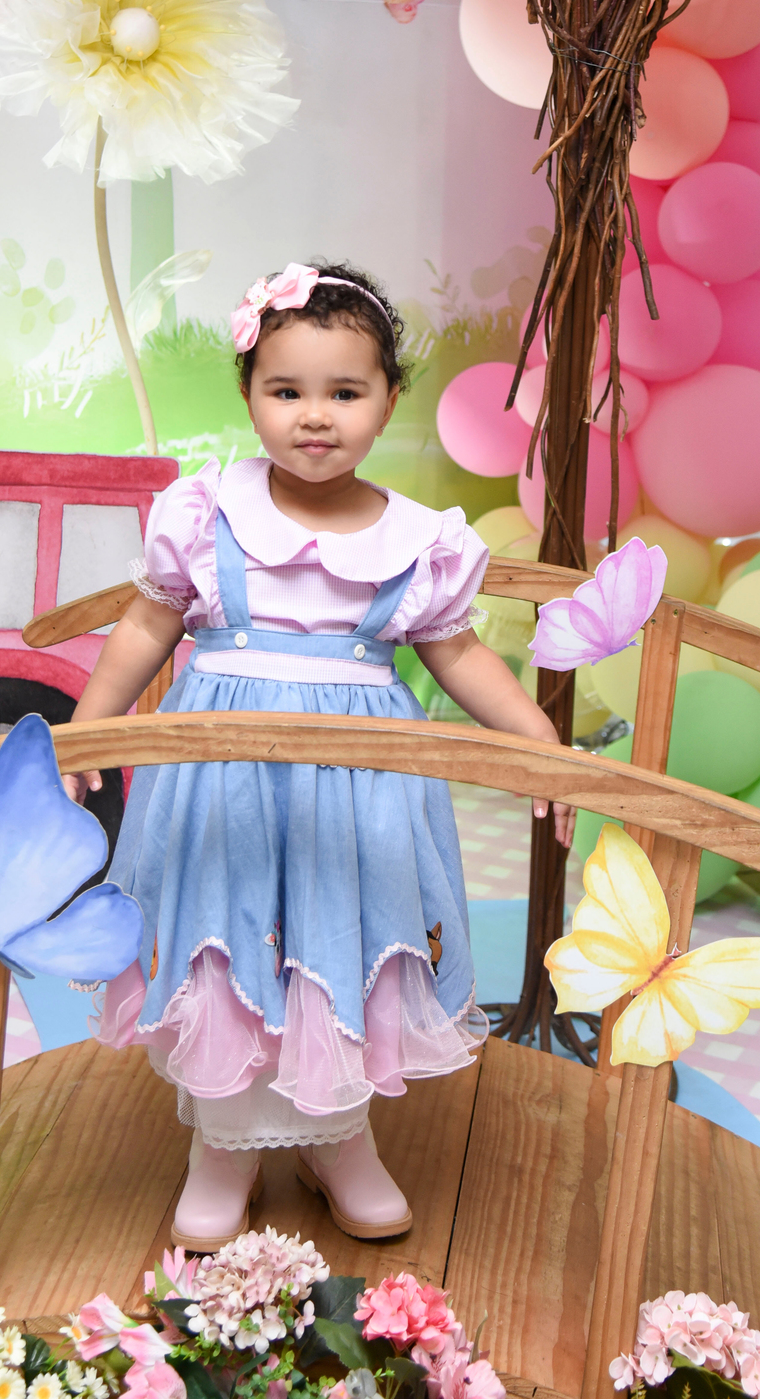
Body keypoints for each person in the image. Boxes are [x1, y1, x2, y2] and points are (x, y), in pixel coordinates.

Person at [66, 260, 570, 1251]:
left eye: (345, 391)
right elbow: (145, 626)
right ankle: (224, 1146)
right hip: (223, 780)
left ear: (388, 399)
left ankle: (341, 1138)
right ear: (249, 394)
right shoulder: (208, 515)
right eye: (285, 390)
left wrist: (537, 737)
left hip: (358, 790)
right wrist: (91, 725)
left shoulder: (417, 540)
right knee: (225, 941)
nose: (314, 416)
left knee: (343, 942)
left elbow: (460, 654)